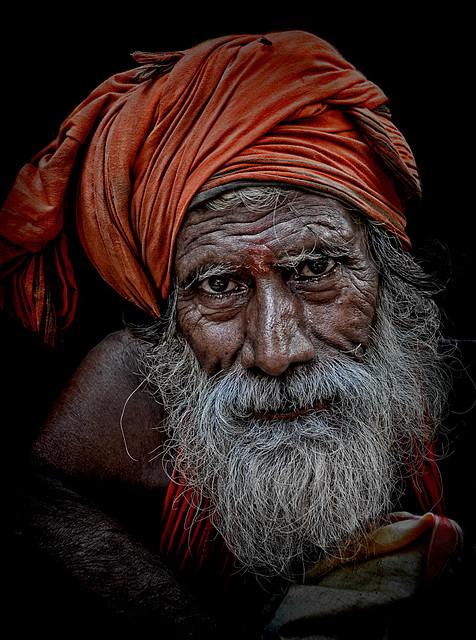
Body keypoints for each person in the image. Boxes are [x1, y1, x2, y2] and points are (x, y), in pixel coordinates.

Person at [0, 31, 468, 638]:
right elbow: (35, 504)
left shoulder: (434, 374)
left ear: (386, 276)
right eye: (218, 285)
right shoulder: (128, 402)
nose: (276, 351)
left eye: (317, 270)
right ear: (166, 313)